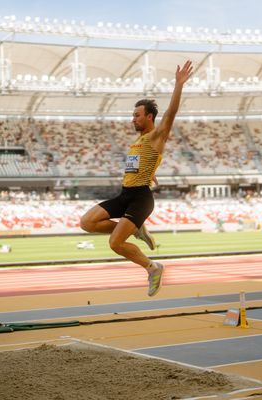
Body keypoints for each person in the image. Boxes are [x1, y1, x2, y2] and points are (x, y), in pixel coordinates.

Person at [80, 60, 193, 296]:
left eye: (137, 115)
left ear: (149, 117)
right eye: (133, 115)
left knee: (115, 243)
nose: (132, 119)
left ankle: (152, 267)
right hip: (125, 194)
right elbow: (142, 163)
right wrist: (152, 172)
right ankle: (136, 230)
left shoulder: (156, 136)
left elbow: (171, 114)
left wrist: (178, 85)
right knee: (87, 223)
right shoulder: (139, 141)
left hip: (140, 198)